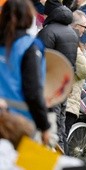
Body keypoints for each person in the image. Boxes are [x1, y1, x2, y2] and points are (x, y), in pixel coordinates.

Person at [0, 0, 50, 145]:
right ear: (28, 16)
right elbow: (33, 91)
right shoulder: (30, 46)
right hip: (19, 123)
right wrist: (44, 126)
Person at [38, 0, 78, 151]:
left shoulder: (48, 32)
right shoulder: (72, 32)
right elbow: (71, 62)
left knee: (51, 125)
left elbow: (40, 59)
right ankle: (63, 157)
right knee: (60, 124)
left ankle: (52, 161)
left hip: (49, 85)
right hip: (64, 84)